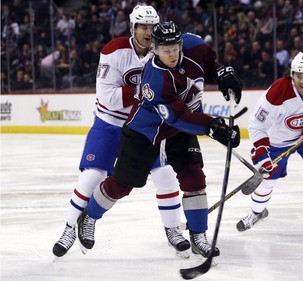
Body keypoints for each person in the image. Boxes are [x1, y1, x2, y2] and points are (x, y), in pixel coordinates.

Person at [76, 21, 242, 259]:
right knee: (122, 184)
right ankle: (89, 215)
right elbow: (178, 116)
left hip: (179, 131)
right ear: (154, 49)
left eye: (175, 48)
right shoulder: (154, 79)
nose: (172, 54)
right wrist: (213, 126)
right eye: (166, 50)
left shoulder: (194, 46)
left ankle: (198, 236)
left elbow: (209, 63)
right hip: (146, 132)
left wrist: (222, 72)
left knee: (194, 176)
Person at [53, 6, 191, 258]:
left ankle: (173, 230)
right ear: (133, 28)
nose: (149, 32)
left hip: (144, 127)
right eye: (143, 27)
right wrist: (147, 91)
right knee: (92, 175)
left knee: (165, 175)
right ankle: (70, 228)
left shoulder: (161, 52)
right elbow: (109, 98)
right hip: (109, 123)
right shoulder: (114, 50)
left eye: (152, 27)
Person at [237, 52, 303, 240]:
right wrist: (263, 153)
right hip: (278, 141)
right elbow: (257, 124)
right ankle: (257, 212)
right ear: (292, 74)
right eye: (298, 76)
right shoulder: (278, 91)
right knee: (265, 181)